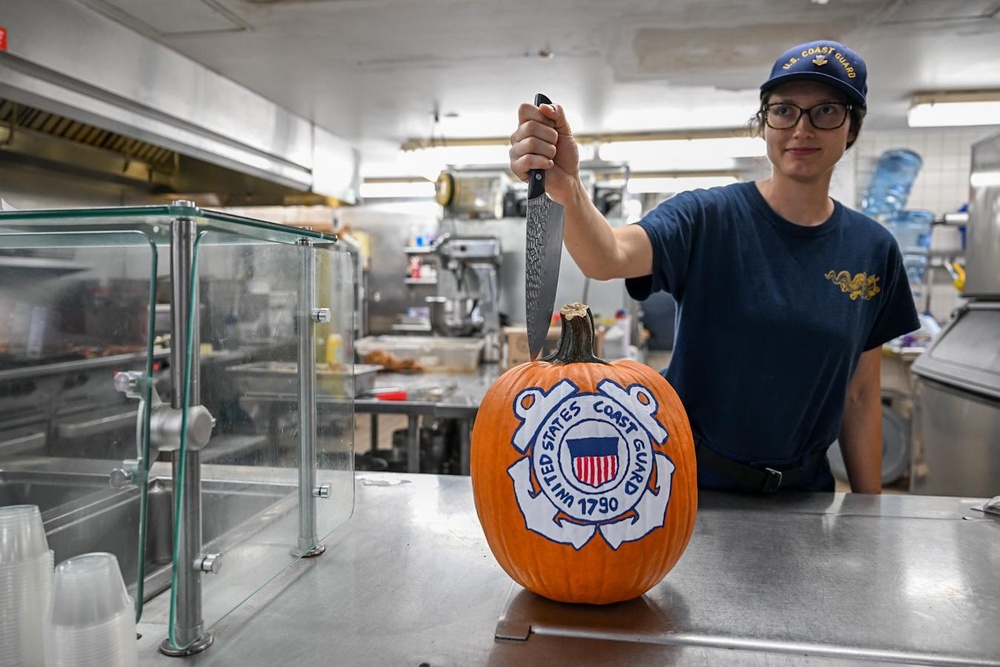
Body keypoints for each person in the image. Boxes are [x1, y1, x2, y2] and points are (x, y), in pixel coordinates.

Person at [508, 40, 919, 494]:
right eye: (784, 111)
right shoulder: (707, 217)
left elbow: (860, 396)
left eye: (825, 112)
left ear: (852, 129)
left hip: (805, 495)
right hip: (690, 488)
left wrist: (870, 512)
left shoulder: (872, 249)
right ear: (765, 126)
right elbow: (608, 256)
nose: (802, 128)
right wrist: (567, 186)